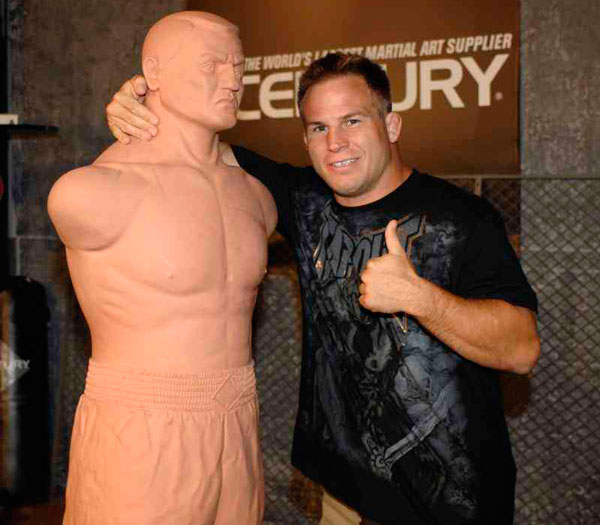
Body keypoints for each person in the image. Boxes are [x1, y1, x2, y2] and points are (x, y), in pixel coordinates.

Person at [106, 53, 540, 524]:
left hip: (449, 502)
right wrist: (145, 106)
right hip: (345, 496)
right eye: (319, 128)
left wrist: (419, 298)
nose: (336, 143)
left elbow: (521, 349)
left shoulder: (462, 219)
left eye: (353, 120)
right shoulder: (304, 199)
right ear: (306, 140)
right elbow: (199, 145)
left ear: (391, 125)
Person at [48, 11, 276, 525]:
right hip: (141, 432)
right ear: (152, 73)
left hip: (238, 426)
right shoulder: (92, 193)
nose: (233, 80)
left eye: (239, 66)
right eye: (212, 65)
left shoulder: (256, 197)